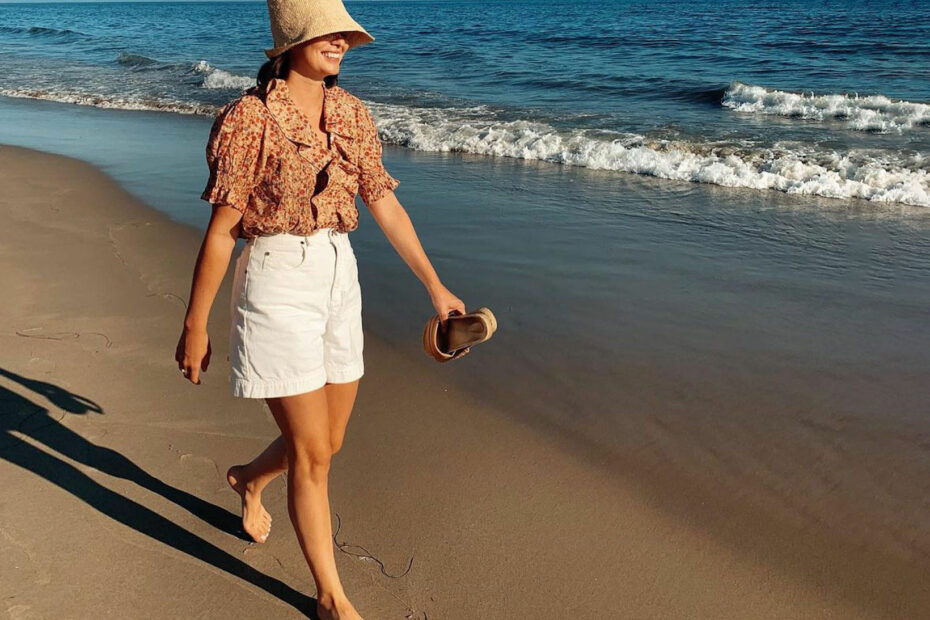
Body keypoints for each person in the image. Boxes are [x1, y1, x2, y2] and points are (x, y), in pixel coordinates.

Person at [174, 1, 464, 617]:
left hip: (339, 273)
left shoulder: (352, 113)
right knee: (310, 454)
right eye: (325, 33)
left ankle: (250, 478)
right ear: (289, 43)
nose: (339, 42)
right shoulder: (249, 118)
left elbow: (382, 201)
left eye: (343, 34)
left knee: (328, 442)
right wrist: (195, 323)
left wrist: (435, 288)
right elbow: (224, 229)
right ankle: (331, 598)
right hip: (276, 277)